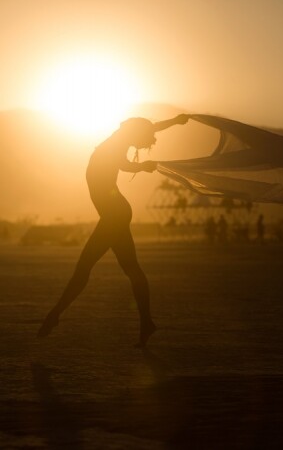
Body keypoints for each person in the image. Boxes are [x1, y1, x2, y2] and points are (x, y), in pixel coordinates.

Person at [37, 114, 189, 347]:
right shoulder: (117, 143)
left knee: (85, 267)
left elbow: (125, 160)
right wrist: (144, 164)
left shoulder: (119, 140)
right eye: (145, 137)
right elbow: (127, 157)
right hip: (116, 212)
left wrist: (174, 122)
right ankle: (146, 321)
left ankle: (56, 314)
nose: (146, 141)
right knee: (130, 269)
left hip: (114, 214)